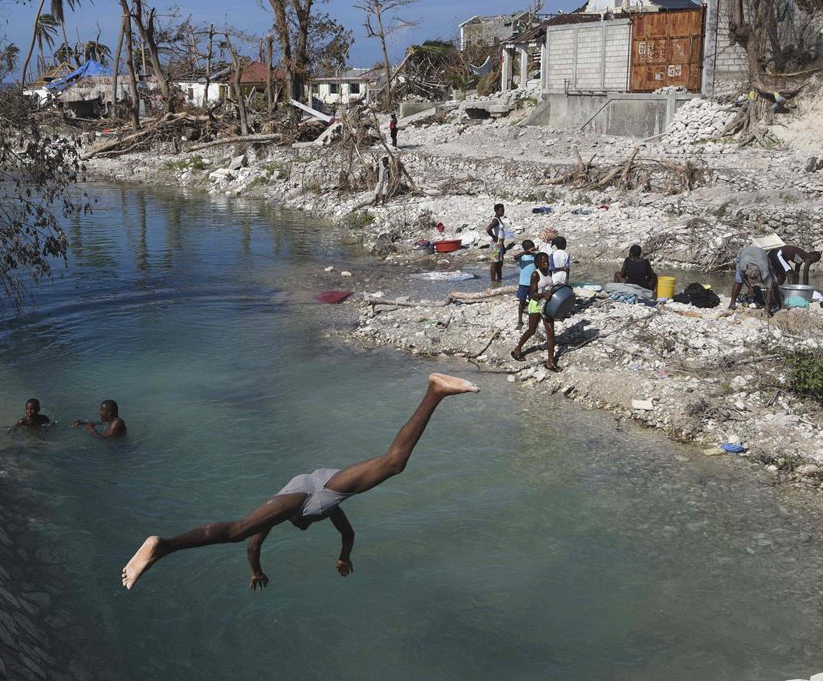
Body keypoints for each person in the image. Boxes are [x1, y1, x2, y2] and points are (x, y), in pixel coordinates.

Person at [120, 373, 480, 591]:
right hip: (320, 484)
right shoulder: (307, 510)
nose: (303, 529)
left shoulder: (297, 509)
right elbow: (342, 534)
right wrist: (341, 558)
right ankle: (435, 392)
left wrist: (259, 570)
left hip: (319, 485)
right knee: (395, 463)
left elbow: (252, 541)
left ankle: (164, 545)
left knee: (393, 463)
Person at [510, 252, 560, 371]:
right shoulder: (535, 275)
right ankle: (517, 349)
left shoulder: (549, 272)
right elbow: (532, 294)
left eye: (547, 261)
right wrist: (543, 294)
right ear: (537, 263)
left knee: (551, 333)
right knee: (532, 330)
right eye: (543, 261)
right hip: (536, 305)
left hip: (547, 305)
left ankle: (550, 362)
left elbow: (549, 287)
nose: (546, 263)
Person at [729, 245, 779, 313]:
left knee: (773, 282)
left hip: (761, 254)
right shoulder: (743, 266)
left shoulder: (765, 271)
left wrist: (768, 307)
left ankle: (777, 302)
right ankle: (732, 303)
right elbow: (742, 276)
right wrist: (750, 288)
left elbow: (769, 289)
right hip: (744, 252)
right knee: (738, 280)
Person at [515, 240, 537, 329]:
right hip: (523, 283)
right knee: (522, 302)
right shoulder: (522, 257)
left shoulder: (535, 257)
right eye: (532, 247)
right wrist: (526, 252)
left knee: (533, 302)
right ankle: (520, 320)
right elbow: (515, 257)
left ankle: (532, 319)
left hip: (533, 284)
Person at [486, 204, 507, 282]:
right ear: (497, 211)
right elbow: (488, 229)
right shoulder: (495, 220)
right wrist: (494, 237)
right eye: (501, 210)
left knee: (500, 263)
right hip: (496, 244)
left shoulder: (499, 219)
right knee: (494, 263)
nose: (503, 212)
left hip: (500, 243)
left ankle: (499, 279)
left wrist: (503, 246)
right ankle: (493, 281)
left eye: (503, 210)